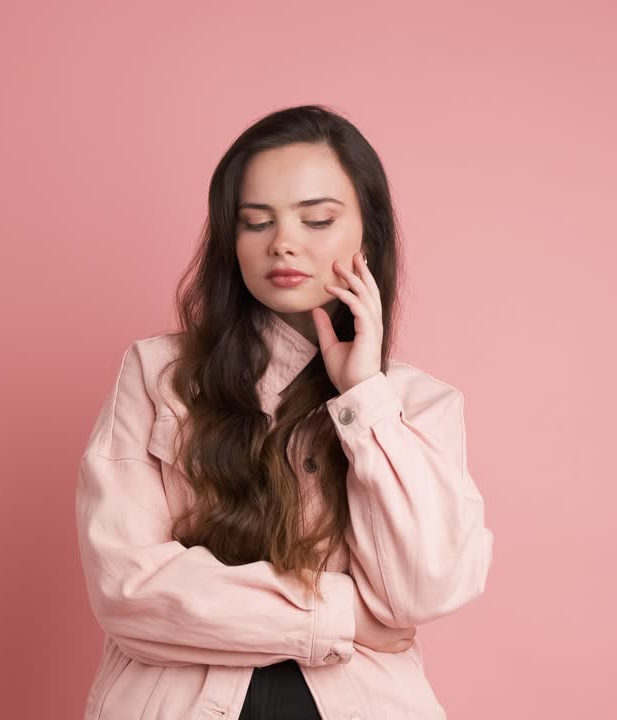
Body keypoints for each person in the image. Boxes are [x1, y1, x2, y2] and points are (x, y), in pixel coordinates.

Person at [75, 104, 494, 720]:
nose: (283, 243)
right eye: (256, 222)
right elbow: (127, 589)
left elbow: (426, 590)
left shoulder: (417, 406)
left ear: (369, 234)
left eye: (317, 219)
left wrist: (363, 399)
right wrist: (342, 616)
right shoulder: (158, 374)